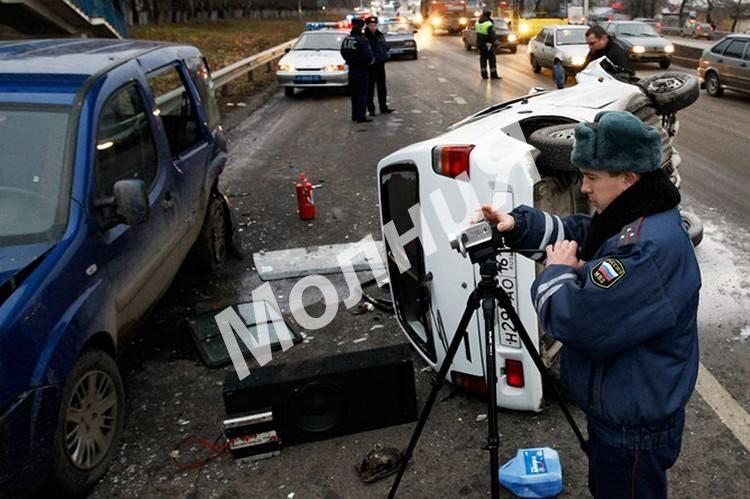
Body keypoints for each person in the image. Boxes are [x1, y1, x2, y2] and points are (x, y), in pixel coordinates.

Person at [480, 111, 700, 499]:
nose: (584, 188)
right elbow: (585, 235)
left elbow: (576, 322)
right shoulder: (632, 214)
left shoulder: (646, 249)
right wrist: (517, 226)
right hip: (620, 409)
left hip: (632, 427)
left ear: (628, 177)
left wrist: (557, 272)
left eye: (592, 178)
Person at [341, 18, 375, 123]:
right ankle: (361, 116)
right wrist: (368, 62)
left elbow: (343, 52)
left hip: (352, 70)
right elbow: (368, 56)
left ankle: (355, 115)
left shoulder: (347, 39)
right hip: (361, 70)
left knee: (354, 94)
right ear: (361, 27)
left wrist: (350, 60)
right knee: (362, 93)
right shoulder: (362, 40)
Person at [364, 16, 395, 116]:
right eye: (371, 25)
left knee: (382, 88)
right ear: (367, 26)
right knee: (370, 88)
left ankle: (383, 107)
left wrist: (385, 55)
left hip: (380, 64)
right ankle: (371, 109)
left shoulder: (380, 35)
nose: (373, 27)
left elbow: (385, 46)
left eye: (374, 25)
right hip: (370, 66)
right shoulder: (365, 36)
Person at [475, 9, 500, 79]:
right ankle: (493, 75)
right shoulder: (489, 24)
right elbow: (492, 36)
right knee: (492, 60)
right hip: (488, 45)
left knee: (483, 59)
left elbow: (478, 33)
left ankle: (484, 75)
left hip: (480, 44)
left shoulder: (478, 22)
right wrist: (496, 43)